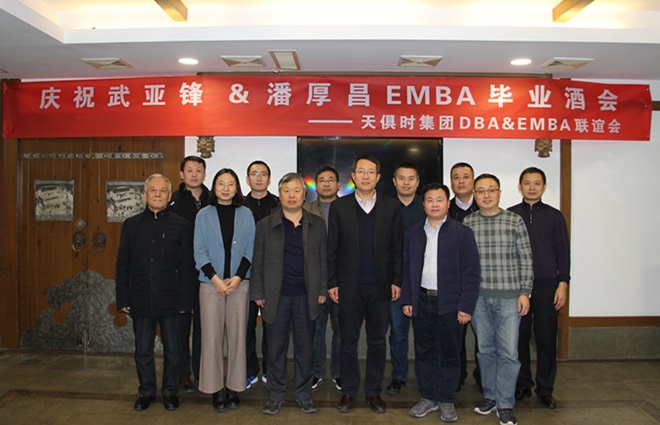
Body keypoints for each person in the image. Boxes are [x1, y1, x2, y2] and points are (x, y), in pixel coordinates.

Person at [328, 155, 403, 414]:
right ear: (353, 176)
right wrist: (332, 282)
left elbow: (397, 248)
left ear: (378, 177)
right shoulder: (340, 207)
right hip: (349, 286)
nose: (365, 176)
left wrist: (397, 280)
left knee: (377, 342)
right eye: (361, 171)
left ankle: (373, 391)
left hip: (381, 287)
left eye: (371, 172)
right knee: (347, 341)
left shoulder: (391, 207)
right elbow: (332, 248)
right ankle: (349, 391)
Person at [401, 182, 481, 423]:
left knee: (449, 353)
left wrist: (466, 306)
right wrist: (408, 298)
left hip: (451, 303)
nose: (434, 204)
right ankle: (428, 396)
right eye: (430, 200)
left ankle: (446, 399)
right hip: (422, 300)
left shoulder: (462, 233)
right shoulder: (414, 232)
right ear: (423, 204)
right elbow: (406, 268)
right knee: (424, 352)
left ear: (448, 203)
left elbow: (472, 273)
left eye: (439, 200)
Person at [115, 174, 195, 412]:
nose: (157, 195)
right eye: (153, 190)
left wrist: (186, 301)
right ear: (145, 195)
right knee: (142, 350)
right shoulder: (131, 225)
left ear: (169, 196)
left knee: (174, 350)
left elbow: (188, 266)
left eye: (162, 191)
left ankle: (170, 391)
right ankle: (147, 391)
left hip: (172, 298)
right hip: (140, 296)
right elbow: (122, 264)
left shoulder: (182, 225)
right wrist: (122, 297)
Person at [251, 173, 328, 415]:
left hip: (306, 296)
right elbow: (257, 261)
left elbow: (323, 259)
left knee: (306, 348)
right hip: (276, 296)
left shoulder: (317, 224)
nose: (292, 195)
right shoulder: (265, 225)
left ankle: (304, 395)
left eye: (296, 190)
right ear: (280, 194)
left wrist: (322, 289)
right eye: (286, 191)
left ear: (304, 195)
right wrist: (258, 291)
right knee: (275, 348)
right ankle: (276, 394)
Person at [464, 173, 533, 425]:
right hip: (478, 298)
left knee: (509, 352)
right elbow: (464, 263)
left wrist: (525, 292)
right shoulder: (468, 223)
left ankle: (505, 403)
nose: (486, 195)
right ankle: (491, 396)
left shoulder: (514, 220)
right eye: (481, 191)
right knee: (485, 351)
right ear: (474, 194)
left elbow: (526, 259)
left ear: (500, 193)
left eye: (491, 190)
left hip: (509, 298)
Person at [194, 168, 255, 412]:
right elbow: (199, 250)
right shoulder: (203, 214)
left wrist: (238, 276)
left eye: (231, 184)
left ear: (237, 187)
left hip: (239, 284)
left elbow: (251, 248)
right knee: (211, 337)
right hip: (211, 285)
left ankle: (234, 387)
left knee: (238, 337)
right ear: (214, 187)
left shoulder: (246, 214)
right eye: (221, 183)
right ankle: (215, 388)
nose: (226, 188)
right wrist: (215, 278)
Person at [508, 167, 570, 410]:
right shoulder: (511, 215)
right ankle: (522, 384)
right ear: (520, 186)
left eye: (537, 183)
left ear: (544, 187)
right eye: (527, 183)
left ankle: (545, 389)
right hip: (517, 286)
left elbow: (563, 252)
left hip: (547, 285)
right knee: (519, 338)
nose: (532, 187)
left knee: (546, 339)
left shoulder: (555, 216)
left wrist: (563, 283)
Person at [169, 155, 210, 393]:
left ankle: (203, 372)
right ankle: (182, 374)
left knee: (205, 326)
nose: (194, 174)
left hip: (208, 273)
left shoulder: (213, 199)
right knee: (181, 326)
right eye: (190, 170)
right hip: (180, 273)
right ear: (181, 174)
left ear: (204, 174)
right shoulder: (172, 200)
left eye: (198, 170)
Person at [387, 162, 425, 395]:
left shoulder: (427, 205)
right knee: (398, 333)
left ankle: (425, 376)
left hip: (424, 281)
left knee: (424, 334)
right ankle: (399, 376)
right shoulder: (386, 206)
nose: (406, 183)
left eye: (411, 178)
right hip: (396, 281)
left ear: (418, 182)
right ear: (394, 181)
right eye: (401, 178)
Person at [303, 166, 342, 391]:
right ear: (315, 185)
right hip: (313, 281)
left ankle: (339, 373)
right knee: (315, 331)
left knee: (341, 331)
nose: (326, 184)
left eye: (331, 180)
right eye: (322, 180)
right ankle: (316, 372)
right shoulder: (305, 210)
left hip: (341, 281)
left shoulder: (348, 208)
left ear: (338, 184)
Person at [244, 160, 280, 389]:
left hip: (272, 275)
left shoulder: (279, 204)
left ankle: (270, 368)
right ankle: (248, 371)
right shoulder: (239, 206)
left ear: (269, 178)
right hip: (244, 274)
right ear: (247, 179)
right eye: (254, 174)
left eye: (263, 174)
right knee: (245, 326)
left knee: (272, 326)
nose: (259, 178)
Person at [448, 162, 481, 390]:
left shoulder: (486, 207)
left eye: (466, 176)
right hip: (453, 283)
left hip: (482, 282)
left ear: (473, 180)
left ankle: (483, 377)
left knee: (483, 336)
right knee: (455, 336)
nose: (461, 181)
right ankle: (457, 376)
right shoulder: (444, 209)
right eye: (456, 177)